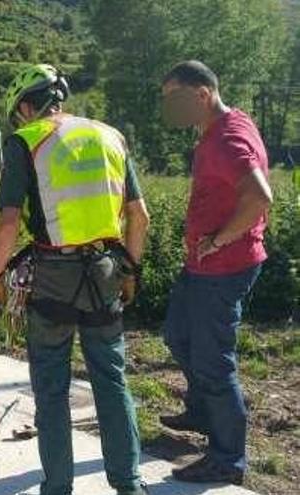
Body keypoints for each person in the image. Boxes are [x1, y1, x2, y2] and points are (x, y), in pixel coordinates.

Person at [0, 64, 150, 495]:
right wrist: (130, 268)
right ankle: (129, 484)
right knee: (111, 380)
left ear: (24, 106)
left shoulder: (26, 141)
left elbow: (8, 221)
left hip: (54, 274)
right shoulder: (110, 136)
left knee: (52, 389)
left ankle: (57, 488)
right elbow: (139, 216)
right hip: (107, 270)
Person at [159, 60, 272, 485]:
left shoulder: (226, 140)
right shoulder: (227, 124)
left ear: (201, 95)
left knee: (214, 363)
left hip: (224, 267)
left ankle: (227, 460)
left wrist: (220, 239)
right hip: (204, 265)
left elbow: (260, 197)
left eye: (174, 98)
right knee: (177, 334)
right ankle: (202, 412)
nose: (169, 108)